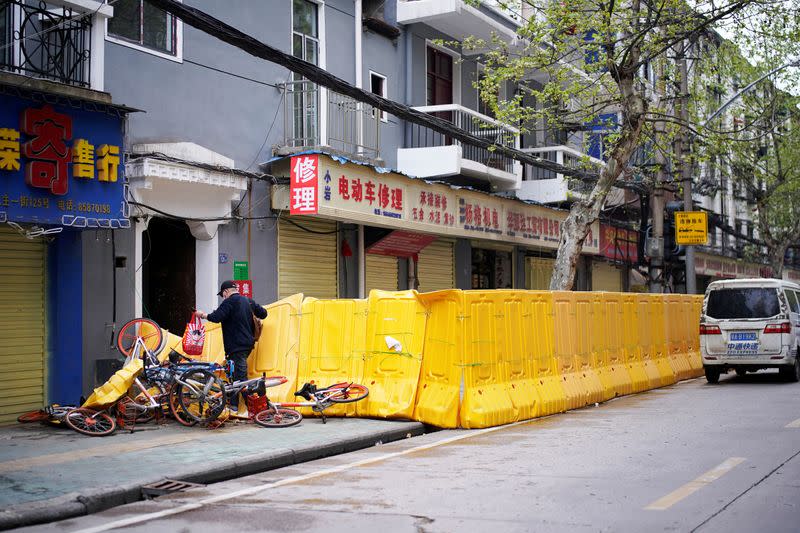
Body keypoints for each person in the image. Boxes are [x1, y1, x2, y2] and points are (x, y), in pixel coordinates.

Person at [196, 280, 268, 416]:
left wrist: (203, 315)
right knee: (235, 376)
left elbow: (216, 317)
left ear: (225, 292)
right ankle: (234, 406)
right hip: (247, 344)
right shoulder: (248, 301)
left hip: (236, 346)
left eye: (222, 295)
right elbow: (264, 313)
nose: (223, 297)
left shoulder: (229, 302)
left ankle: (254, 410)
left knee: (241, 377)